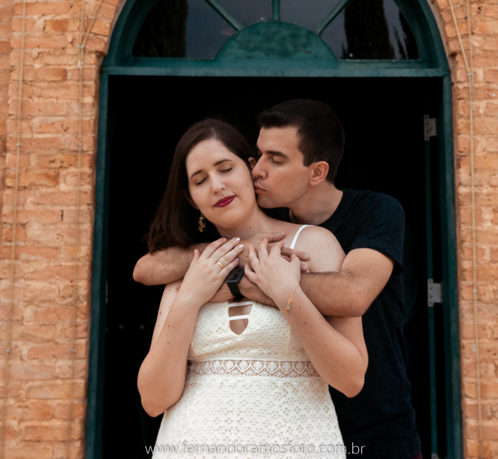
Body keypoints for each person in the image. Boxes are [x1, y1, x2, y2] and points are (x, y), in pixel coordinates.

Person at [135, 100, 422, 459]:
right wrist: (193, 294)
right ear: (190, 199)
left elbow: (353, 307)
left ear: (245, 170)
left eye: (226, 168)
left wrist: (279, 288)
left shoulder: (324, 238)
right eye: (199, 180)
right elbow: (153, 398)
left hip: (344, 432)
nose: (218, 186)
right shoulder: (192, 266)